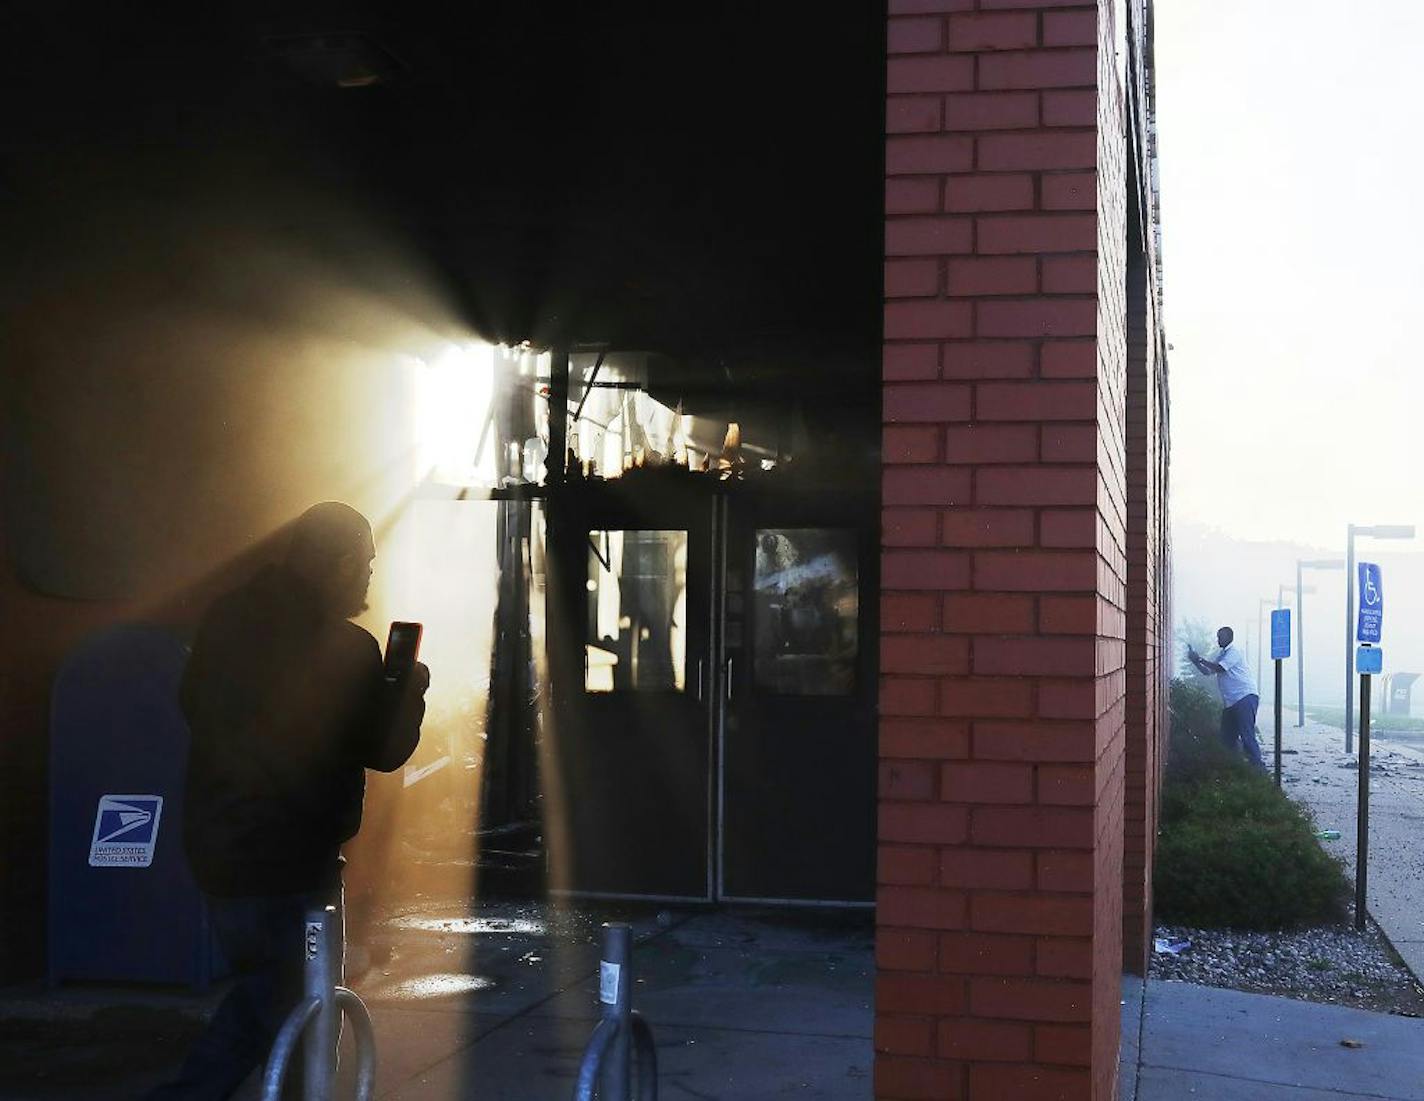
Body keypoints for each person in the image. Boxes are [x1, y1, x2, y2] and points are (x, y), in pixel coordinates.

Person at [147, 502, 429, 1100]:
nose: (370, 577)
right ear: (344, 561)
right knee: (294, 998)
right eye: (368, 564)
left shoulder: (224, 620)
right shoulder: (346, 647)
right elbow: (384, 749)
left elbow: (191, 704)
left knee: (274, 991)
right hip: (297, 863)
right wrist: (406, 687)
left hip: (218, 854)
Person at [1187, 626, 1265, 770]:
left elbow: (1220, 668)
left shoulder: (1234, 652)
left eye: (1220, 637)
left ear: (1229, 638)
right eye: (1217, 637)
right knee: (1227, 739)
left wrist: (1200, 659)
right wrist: (1196, 662)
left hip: (1244, 697)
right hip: (1231, 702)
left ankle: (1258, 770)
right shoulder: (1222, 654)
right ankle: (1234, 769)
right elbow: (1207, 671)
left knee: (1247, 735)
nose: (1218, 640)